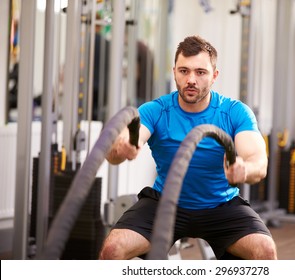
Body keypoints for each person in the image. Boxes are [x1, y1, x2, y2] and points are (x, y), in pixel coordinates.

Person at [99, 35, 277, 260]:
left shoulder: (234, 112)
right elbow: (121, 146)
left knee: (265, 250)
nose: (191, 79)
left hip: (221, 204)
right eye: (184, 71)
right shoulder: (157, 110)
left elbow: (258, 161)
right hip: (164, 204)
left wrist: (245, 169)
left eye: (200, 72)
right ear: (174, 72)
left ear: (214, 76)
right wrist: (120, 147)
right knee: (112, 250)